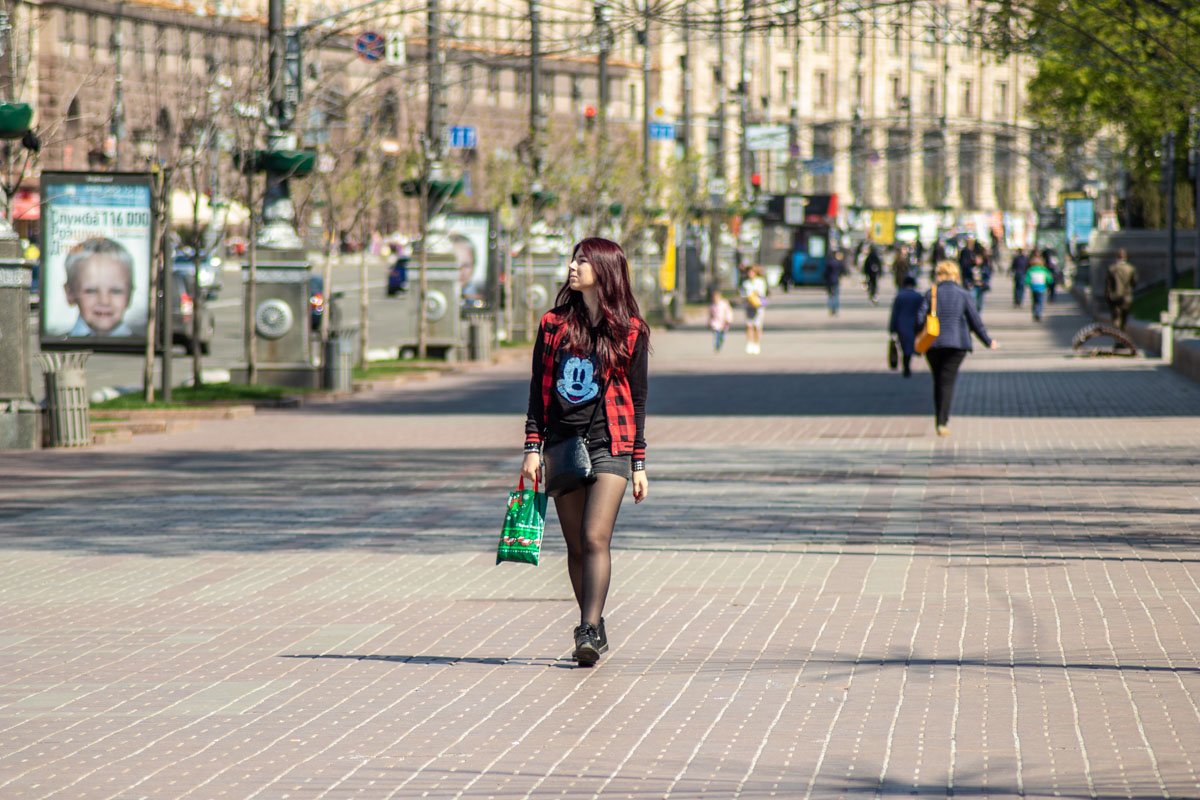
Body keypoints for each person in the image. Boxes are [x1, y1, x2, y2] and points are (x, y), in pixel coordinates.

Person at [521, 237, 650, 667]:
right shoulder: (553, 325)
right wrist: (533, 446)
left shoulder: (629, 329)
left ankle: (587, 629)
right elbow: (538, 392)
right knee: (576, 545)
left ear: (605, 270)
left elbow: (639, 398)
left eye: (582, 261)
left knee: (595, 537)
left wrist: (638, 462)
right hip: (562, 444)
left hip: (611, 442)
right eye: (573, 260)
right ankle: (592, 622)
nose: (573, 268)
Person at [917, 260, 999, 436]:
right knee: (947, 382)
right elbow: (974, 320)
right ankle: (942, 422)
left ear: (938, 275)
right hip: (956, 345)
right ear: (956, 275)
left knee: (938, 380)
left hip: (933, 344)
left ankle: (939, 418)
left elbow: (918, 319)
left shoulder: (931, 294)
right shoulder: (964, 294)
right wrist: (987, 341)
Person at [61, 237, 136, 337]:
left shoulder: (146, 348)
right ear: (69, 293)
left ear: (130, 294)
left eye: (116, 291)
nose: (104, 301)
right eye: (91, 291)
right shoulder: (58, 345)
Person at [889, 275, 923, 377]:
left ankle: (906, 365)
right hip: (914, 324)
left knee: (904, 346)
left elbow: (894, 313)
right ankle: (907, 365)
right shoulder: (918, 296)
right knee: (910, 345)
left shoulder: (899, 296)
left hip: (901, 324)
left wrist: (892, 328)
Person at [1105, 248, 1139, 331]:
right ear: (1126, 257)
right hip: (1127, 297)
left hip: (1114, 297)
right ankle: (1122, 336)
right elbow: (1134, 283)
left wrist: (1108, 296)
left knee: (1116, 319)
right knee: (1124, 319)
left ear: (1117, 257)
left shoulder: (1112, 269)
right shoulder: (1131, 269)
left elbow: (1108, 285)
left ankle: (1118, 338)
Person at [740, 264, 768, 354]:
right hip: (748, 306)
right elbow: (742, 294)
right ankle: (749, 343)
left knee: (757, 326)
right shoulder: (745, 283)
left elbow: (762, 293)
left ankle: (757, 344)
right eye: (749, 272)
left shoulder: (760, 282)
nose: (750, 273)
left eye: (752, 272)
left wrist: (755, 295)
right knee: (749, 325)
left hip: (758, 307)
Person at [1025, 254, 1053, 322]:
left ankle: (1035, 313)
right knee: (1040, 302)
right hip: (1042, 288)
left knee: (1034, 301)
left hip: (1034, 288)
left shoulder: (1030, 270)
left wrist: (1029, 284)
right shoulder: (1044, 270)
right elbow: (1049, 279)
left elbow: (1027, 280)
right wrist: (1048, 284)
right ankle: (1039, 313)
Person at [708, 287, 733, 351]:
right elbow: (710, 314)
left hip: (724, 322)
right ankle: (717, 344)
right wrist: (709, 321)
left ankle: (720, 342)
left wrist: (728, 319)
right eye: (714, 298)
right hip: (715, 322)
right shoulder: (712, 305)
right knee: (716, 334)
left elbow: (728, 312)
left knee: (722, 335)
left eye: (716, 297)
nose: (715, 299)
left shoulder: (724, 304)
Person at [824, 249, 846, 316]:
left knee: (830, 296)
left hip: (829, 281)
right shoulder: (838, 263)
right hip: (836, 281)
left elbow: (825, 273)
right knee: (836, 296)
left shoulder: (829, 263)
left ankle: (831, 309)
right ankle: (835, 309)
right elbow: (843, 271)